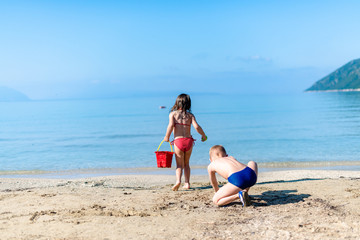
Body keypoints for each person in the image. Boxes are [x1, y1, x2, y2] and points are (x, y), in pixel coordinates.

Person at [163, 93, 207, 191]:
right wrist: (203, 135)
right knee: (186, 164)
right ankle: (187, 183)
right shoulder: (190, 115)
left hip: (178, 141)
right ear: (188, 104)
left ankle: (178, 181)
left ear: (177, 103)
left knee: (179, 165)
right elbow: (196, 127)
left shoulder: (173, 114)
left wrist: (167, 137)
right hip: (188, 141)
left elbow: (170, 126)